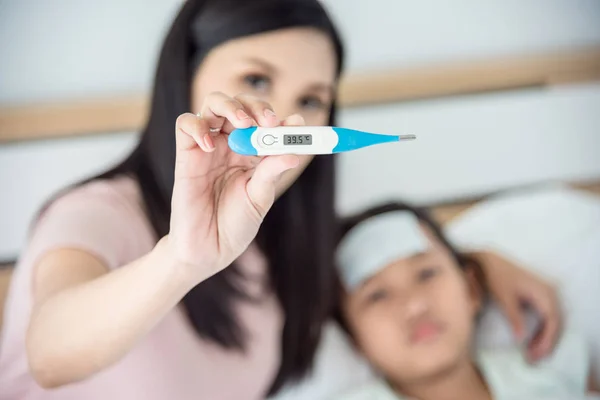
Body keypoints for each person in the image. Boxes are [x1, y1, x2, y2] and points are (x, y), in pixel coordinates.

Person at [0, 0, 563, 399]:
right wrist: (180, 260)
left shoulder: (286, 242)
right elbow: (48, 355)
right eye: (258, 80)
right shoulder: (96, 215)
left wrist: (480, 266)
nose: (288, 120)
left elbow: (379, 256)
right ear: (186, 77)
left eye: (313, 100)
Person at [332, 202, 598, 400]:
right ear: (353, 338)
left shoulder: (552, 376)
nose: (415, 306)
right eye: (377, 295)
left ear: (471, 289)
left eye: (427, 274)